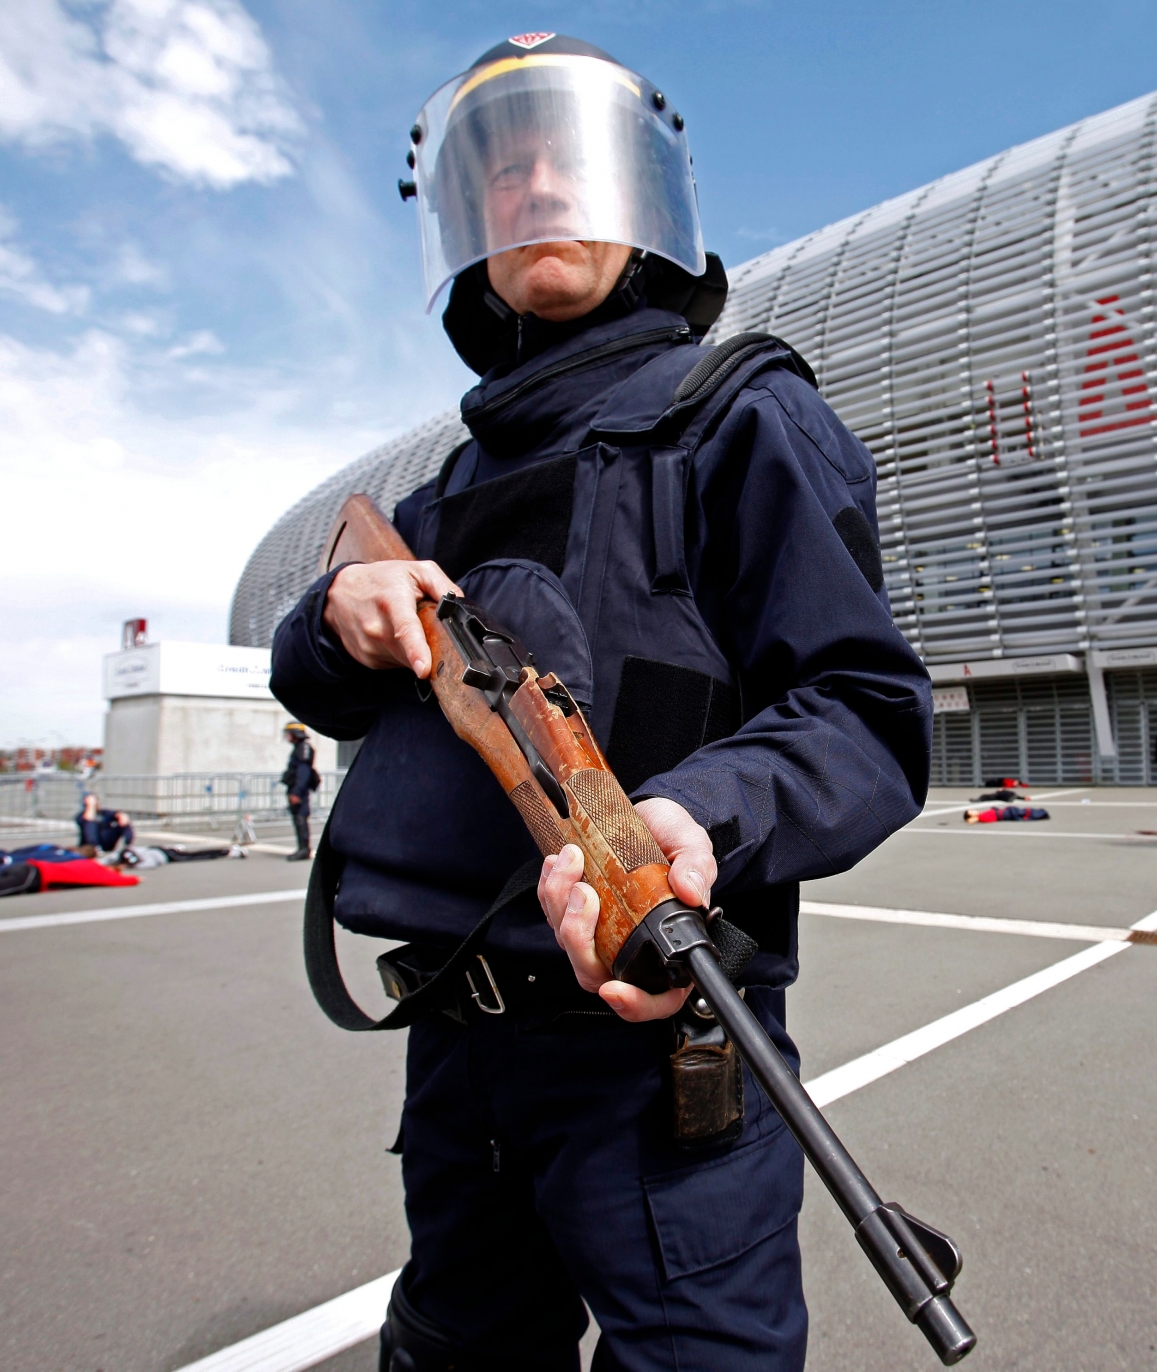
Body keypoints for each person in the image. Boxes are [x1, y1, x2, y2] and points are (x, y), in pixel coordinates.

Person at [270, 34, 930, 1372]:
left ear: (644, 202)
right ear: (469, 227)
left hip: (660, 1057)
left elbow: (866, 712)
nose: (533, 186)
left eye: (565, 157)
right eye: (500, 171)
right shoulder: (436, 492)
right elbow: (317, 687)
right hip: (459, 1064)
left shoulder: (739, 417)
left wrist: (696, 817)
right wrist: (339, 614)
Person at [280, 721, 319, 862]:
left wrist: (297, 792)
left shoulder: (303, 748)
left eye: (289, 734)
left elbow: (303, 774)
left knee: (301, 818)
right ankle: (301, 848)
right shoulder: (299, 748)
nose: (287, 737)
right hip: (296, 789)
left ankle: (304, 849)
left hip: (299, 791)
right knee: (298, 819)